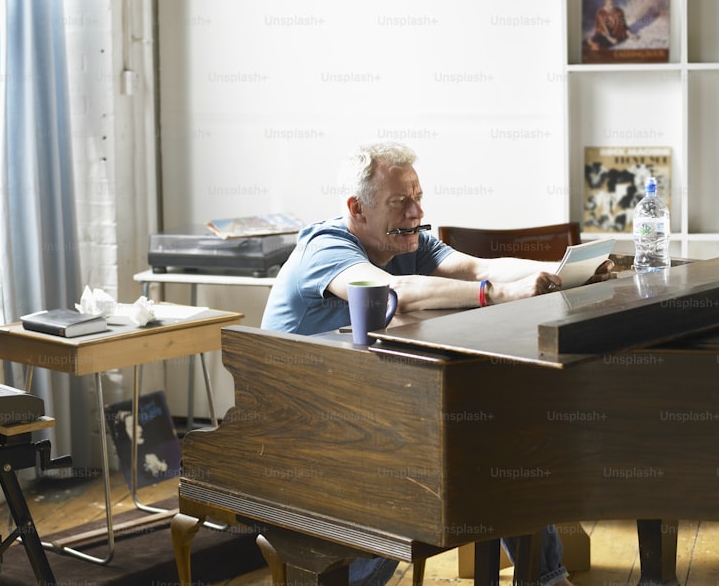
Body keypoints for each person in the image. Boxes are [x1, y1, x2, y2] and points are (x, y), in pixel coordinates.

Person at [262, 142, 614, 586]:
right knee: (419, 472)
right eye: (400, 202)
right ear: (357, 208)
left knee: (496, 441)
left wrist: (558, 273)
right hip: (294, 418)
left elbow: (473, 267)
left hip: (362, 399)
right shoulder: (326, 248)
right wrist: (499, 294)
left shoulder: (405, 239)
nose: (415, 213)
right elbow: (393, 294)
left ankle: (546, 577)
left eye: (418, 198)